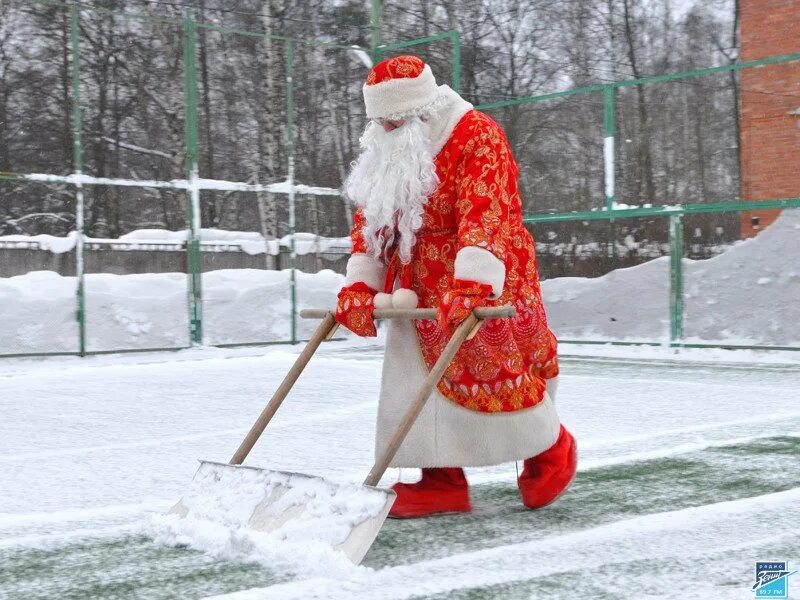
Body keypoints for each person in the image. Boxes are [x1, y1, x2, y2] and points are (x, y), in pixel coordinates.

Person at [336, 55, 576, 518]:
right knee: (417, 381)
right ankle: (440, 480)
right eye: (378, 120)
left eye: (392, 119)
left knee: (499, 371)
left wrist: (472, 281)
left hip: (486, 272)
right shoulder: (390, 147)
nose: (383, 128)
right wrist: (360, 286)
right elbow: (372, 218)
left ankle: (550, 450)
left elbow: (487, 208)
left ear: (419, 110)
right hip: (417, 283)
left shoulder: (474, 133)